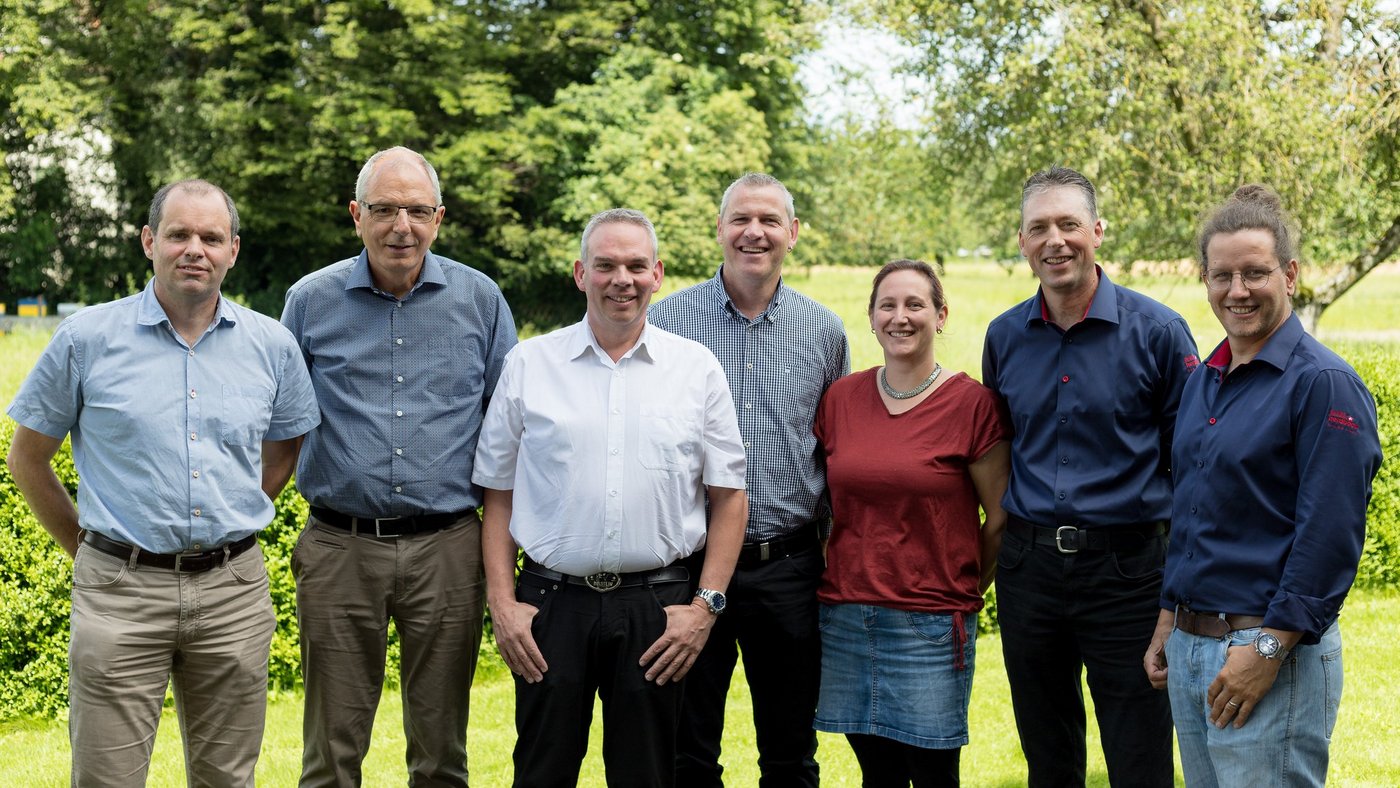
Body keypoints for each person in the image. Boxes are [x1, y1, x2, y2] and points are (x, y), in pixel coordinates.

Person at [5, 179, 320, 787]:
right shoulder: (86, 339)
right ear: (150, 242)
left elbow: (285, 447)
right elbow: (27, 459)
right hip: (118, 593)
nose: (194, 249)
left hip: (233, 593)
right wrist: (87, 548)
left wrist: (236, 510)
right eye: (179, 234)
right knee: (107, 778)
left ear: (233, 250)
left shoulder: (272, 346)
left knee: (228, 779)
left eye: (211, 237)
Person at [474, 208, 749, 788]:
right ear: (581, 274)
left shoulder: (696, 368)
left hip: (659, 610)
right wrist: (502, 603)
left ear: (657, 275)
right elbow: (497, 493)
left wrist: (705, 609)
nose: (621, 279)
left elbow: (729, 497)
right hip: (550, 608)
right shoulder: (529, 364)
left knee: (649, 776)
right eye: (605, 265)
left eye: (635, 266)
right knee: (542, 774)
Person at [281, 146, 517, 787]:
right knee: (330, 755)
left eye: (416, 210)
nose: (401, 227)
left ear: (438, 217)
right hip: (340, 548)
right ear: (356, 215)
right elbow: (276, 425)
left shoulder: (481, 300)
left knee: (441, 755)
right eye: (384, 209)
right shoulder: (310, 302)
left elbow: (511, 431)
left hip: (448, 548)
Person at [1144, 184, 1382, 787]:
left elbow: (1329, 535)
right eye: (1222, 275)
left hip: (1269, 653)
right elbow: (1192, 510)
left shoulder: (1323, 384)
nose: (1238, 290)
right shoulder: (1206, 379)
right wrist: (1171, 617)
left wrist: (1269, 650)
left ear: (1290, 275)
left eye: (1255, 273)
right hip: (1193, 646)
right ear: (1205, 279)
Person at [981, 165, 1198, 787]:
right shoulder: (1004, 336)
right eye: (1038, 228)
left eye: (1069, 224)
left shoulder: (1159, 333)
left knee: (1139, 755)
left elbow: (1192, 469)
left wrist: (1178, 591)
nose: (1055, 241)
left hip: (1129, 572)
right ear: (1022, 242)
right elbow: (1002, 450)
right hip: (1029, 571)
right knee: (1047, 756)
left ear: (1097, 231)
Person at [649, 172, 849, 787]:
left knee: (791, 755)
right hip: (687, 566)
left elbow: (835, 451)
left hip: (787, 566)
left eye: (768, 221)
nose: (753, 233)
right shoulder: (667, 321)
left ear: (793, 232)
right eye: (740, 219)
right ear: (719, 228)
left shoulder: (823, 330)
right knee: (686, 753)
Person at [814, 260, 1010, 787]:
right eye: (888, 305)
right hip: (847, 617)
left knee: (933, 774)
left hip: (930, 623)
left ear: (941, 316)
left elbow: (1000, 517)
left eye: (915, 305)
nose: (900, 317)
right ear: (871, 318)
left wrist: (962, 589)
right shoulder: (840, 400)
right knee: (876, 774)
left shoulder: (972, 405)